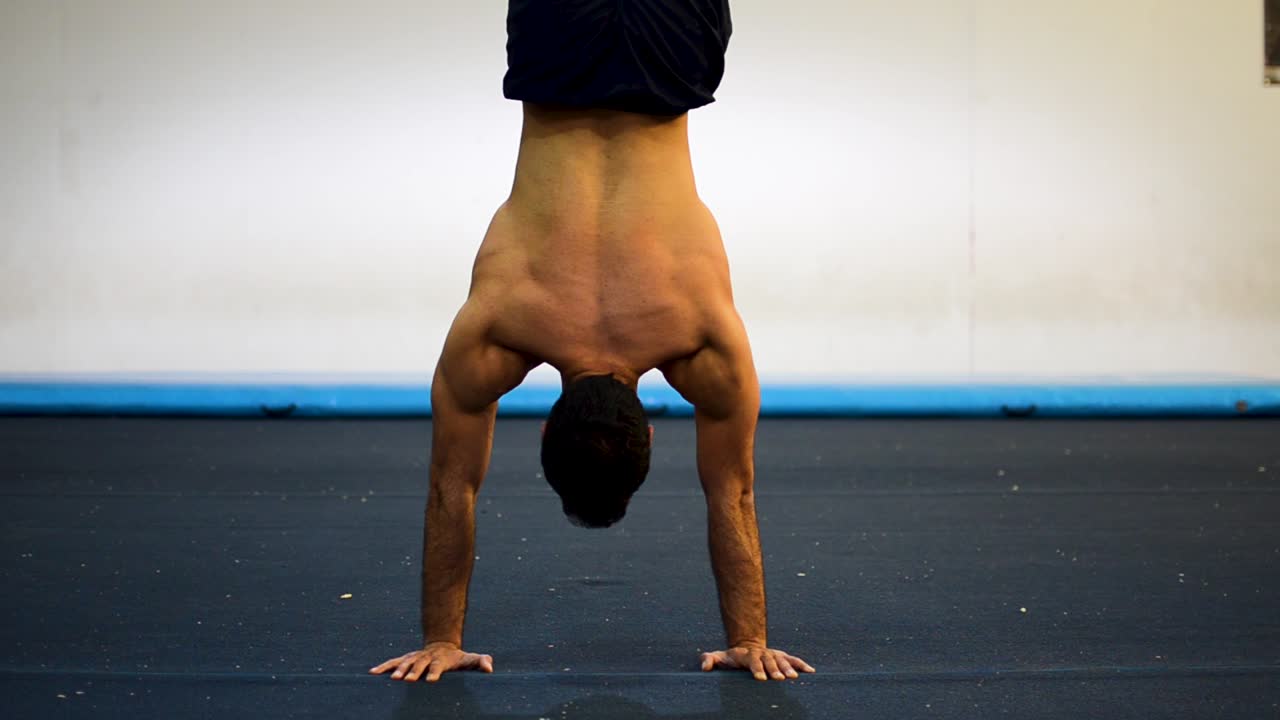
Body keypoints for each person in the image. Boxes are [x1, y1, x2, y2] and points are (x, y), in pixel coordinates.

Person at [371, 0, 813, 683]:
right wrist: (440, 638)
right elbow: (447, 489)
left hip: (670, 60)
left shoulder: (702, 340)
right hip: (560, 52)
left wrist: (751, 639)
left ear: (653, 436)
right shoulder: (498, 328)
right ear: (547, 430)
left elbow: (735, 494)